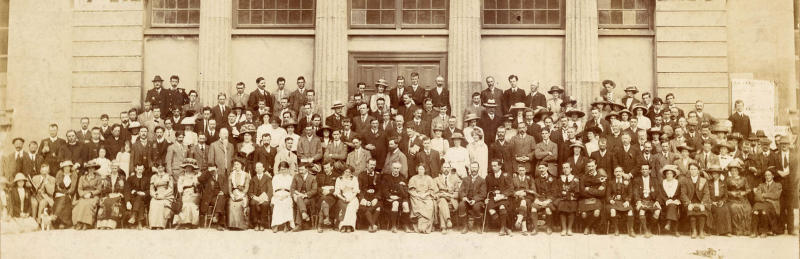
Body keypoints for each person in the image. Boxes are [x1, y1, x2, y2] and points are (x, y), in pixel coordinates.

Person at [71, 160, 103, 230]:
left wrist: (91, 194)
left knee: (88, 204)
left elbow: (99, 189)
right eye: (89, 168)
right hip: (84, 195)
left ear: (95, 169)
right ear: (87, 169)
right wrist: (83, 195)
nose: (91, 169)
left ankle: (87, 223)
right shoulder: (82, 178)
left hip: (94, 196)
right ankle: (79, 223)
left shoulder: (98, 178)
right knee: (80, 204)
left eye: (92, 168)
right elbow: (79, 189)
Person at [682, 162, 710, 239]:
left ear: (698, 170)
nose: (693, 171)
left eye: (695, 169)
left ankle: (701, 231)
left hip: (701, 201)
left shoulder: (703, 180)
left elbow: (706, 193)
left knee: (702, 213)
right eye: (691, 169)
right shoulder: (685, 180)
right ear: (689, 170)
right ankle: (694, 231)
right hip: (690, 201)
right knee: (692, 213)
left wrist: (703, 203)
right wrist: (688, 203)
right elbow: (683, 194)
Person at [407, 164, 438, 234]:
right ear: (417, 169)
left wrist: (425, 194)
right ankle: (419, 226)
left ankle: (426, 226)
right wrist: (417, 195)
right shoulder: (413, 178)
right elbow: (411, 190)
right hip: (416, 196)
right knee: (418, 205)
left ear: (425, 170)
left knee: (430, 205)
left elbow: (431, 190)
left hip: (427, 196)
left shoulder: (429, 178)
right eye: (419, 169)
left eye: (422, 169)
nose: (421, 171)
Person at [752, 169, 782, 238]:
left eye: (769, 175)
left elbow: (776, 196)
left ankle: (763, 232)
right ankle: (754, 231)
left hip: (773, 205)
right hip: (763, 203)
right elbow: (757, 196)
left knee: (763, 210)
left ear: (773, 176)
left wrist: (764, 195)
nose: (767, 177)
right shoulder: (761, 185)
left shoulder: (778, 185)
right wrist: (764, 198)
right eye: (766, 175)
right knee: (755, 210)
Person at [632, 164, 661, 238]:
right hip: (641, 200)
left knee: (657, 212)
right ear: (641, 171)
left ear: (650, 171)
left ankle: (650, 229)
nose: (644, 171)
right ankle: (645, 231)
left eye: (646, 169)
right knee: (641, 211)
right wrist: (638, 201)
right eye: (643, 169)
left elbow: (659, 192)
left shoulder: (655, 180)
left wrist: (657, 201)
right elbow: (635, 192)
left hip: (651, 200)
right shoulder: (637, 180)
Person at [578, 160, 606, 235]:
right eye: (589, 166)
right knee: (583, 214)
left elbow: (602, 193)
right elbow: (582, 192)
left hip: (597, 199)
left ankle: (588, 227)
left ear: (596, 166)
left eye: (592, 166)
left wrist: (589, 189)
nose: (591, 168)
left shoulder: (601, 177)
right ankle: (591, 227)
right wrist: (595, 192)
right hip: (585, 199)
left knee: (596, 212)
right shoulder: (583, 177)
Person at [96, 161, 126, 229]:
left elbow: (124, 189)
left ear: (118, 168)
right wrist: (107, 194)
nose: (114, 170)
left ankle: (111, 224)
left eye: (115, 168)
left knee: (113, 203)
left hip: (118, 195)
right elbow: (104, 189)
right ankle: (102, 224)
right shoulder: (107, 177)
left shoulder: (122, 177)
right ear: (110, 168)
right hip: (108, 195)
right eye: (113, 168)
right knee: (105, 202)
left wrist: (119, 194)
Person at [381, 162, 410, 233]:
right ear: (391, 168)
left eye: (397, 168)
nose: (396, 170)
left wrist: (401, 188)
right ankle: (393, 226)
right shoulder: (386, 177)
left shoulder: (403, 177)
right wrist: (391, 196)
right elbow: (384, 190)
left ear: (400, 169)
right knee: (395, 204)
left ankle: (405, 225)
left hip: (401, 197)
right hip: (390, 198)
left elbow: (406, 192)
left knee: (405, 205)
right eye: (394, 168)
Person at [726, 161, 752, 236]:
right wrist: (731, 193)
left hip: (742, 198)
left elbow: (748, 189)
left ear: (738, 171)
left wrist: (744, 193)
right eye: (732, 171)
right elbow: (724, 190)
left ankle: (746, 229)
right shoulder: (728, 179)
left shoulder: (744, 179)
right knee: (735, 208)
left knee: (747, 208)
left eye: (735, 170)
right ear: (730, 171)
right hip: (732, 199)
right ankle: (737, 229)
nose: (734, 172)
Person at [458, 162, 486, 234]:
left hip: (477, 201)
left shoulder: (482, 180)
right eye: (472, 167)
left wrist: (475, 200)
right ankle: (465, 226)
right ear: (470, 168)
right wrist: (464, 197)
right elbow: (461, 190)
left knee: (476, 207)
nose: (474, 169)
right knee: (461, 205)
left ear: (478, 169)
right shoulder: (465, 179)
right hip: (467, 200)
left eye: (475, 167)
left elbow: (483, 194)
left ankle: (478, 226)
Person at [175, 159, 201, 229]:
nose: (188, 168)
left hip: (194, 193)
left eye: (190, 167)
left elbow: (197, 184)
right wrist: (182, 191)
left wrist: (195, 181)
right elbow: (179, 187)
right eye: (187, 167)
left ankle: (193, 223)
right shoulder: (182, 176)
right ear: (185, 167)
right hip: (185, 193)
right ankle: (186, 223)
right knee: (185, 204)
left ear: (192, 168)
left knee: (192, 204)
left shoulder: (196, 175)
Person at [357, 159, 381, 233]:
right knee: (364, 207)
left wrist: (376, 198)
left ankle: (371, 225)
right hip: (365, 197)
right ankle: (373, 225)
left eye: (374, 165)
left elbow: (380, 190)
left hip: (374, 197)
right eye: (371, 164)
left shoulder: (378, 175)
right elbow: (359, 189)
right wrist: (363, 199)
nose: (372, 166)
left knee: (378, 207)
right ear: (367, 165)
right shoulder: (361, 175)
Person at [291, 164, 318, 230]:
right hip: (298, 196)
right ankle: (304, 214)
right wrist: (294, 195)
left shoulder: (312, 177)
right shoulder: (296, 176)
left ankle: (298, 224)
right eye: (299, 170)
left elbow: (314, 190)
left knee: (300, 201)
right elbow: (292, 188)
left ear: (307, 169)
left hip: (309, 198)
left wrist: (305, 195)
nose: (300, 171)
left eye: (302, 169)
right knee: (299, 199)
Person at [333, 165, 359, 233]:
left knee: (351, 206)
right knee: (343, 205)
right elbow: (337, 192)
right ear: (343, 172)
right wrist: (343, 198)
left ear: (351, 173)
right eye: (346, 172)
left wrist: (350, 198)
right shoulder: (339, 179)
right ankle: (343, 226)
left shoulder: (354, 178)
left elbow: (356, 191)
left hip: (352, 197)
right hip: (343, 196)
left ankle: (350, 226)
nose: (347, 173)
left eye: (349, 172)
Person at [707, 165, 731, 236]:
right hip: (711, 201)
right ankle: (717, 231)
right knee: (717, 210)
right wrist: (711, 202)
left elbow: (726, 195)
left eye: (716, 174)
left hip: (720, 200)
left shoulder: (723, 183)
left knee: (725, 209)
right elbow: (706, 194)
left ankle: (727, 231)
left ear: (719, 174)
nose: (714, 175)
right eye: (713, 174)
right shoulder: (708, 182)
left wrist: (722, 201)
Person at [271, 161, 295, 232]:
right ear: (279, 170)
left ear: (287, 169)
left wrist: (286, 196)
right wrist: (277, 196)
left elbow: (292, 190)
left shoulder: (290, 178)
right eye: (281, 169)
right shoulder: (275, 177)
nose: (283, 171)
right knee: (277, 203)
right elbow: (273, 189)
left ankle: (286, 224)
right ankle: (276, 224)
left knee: (286, 202)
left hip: (287, 195)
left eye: (284, 169)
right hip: (277, 195)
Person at [148, 164, 174, 230]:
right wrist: (154, 195)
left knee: (161, 204)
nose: (160, 169)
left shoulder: (169, 176)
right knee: (153, 202)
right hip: (157, 194)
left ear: (164, 168)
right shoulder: (153, 177)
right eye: (158, 167)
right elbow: (151, 189)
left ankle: (160, 225)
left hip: (166, 195)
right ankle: (153, 225)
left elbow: (171, 189)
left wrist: (163, 195)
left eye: (161, 167)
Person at [227, 159, 250, 230]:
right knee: (231, 204)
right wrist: (232, 195)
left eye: (238, 164)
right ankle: (232, 225)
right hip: (234, 194)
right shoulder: (231, 175)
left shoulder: (246, 175)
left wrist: (242, 195)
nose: (236, 166)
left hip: (242, 194)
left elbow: (246, 187)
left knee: (241, 204)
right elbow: (229, 188)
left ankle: (241, 226)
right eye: (235, 164)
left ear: (241, 166)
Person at [248, 162, 272, 231]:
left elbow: (270, 190)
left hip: (264, 197)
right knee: (252, 203)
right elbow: (250, 192)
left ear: (263, 168)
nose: (258, 169)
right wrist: (255, 197)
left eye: (260, 167)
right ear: (255, 169)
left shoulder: (267, 178)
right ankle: (255, 224)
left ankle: (262, 224)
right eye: (257, 168)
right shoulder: (253, 179)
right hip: (256, 197)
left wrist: (265, 197)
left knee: (264, 204)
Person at [125, 163, 149, 229]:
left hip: (144, 198)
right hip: (133, 199)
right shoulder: (130, 178)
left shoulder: (146, 179)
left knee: (140, 198)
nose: (140, 171)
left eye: (141, 169)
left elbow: (149, 190)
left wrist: (144, 193)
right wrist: (127, 201)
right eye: (138, 169)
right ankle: (139, 223)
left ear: (143, 170)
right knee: (140, 201)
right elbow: (127, 190)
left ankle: (133, 216)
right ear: (135, 169)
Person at [659, 165, 682, 236]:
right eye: (667, 173)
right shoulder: (662, 182)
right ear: (665, 175)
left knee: (673, 205)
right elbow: (661, 194)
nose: (669, 175)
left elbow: (680, 193)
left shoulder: (677, 183)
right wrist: (666, 200)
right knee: (672, 206)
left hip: (675, 201)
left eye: (670, 173)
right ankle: (675, 230)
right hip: (665, 202)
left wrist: (677, 200)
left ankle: (668, 224)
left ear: (673, 174)